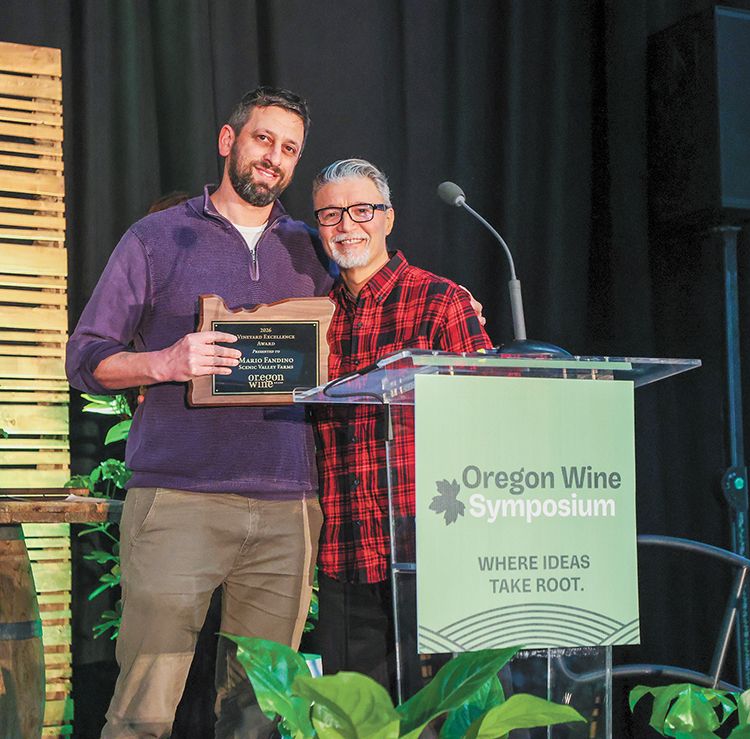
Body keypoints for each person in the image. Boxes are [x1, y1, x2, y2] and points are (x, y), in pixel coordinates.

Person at [66, 87, 334, 739]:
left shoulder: (312, 251)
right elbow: (85, 357)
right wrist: (166, 362)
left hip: (287, 509)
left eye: (289, 148)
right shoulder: (157, 238)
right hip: (179, 500)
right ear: (228, 140)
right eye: (262, 139)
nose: (274, 157)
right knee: (142, 712)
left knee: (260, 717)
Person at [309, 159, 492, 696]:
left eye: (362, 209)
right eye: (330, 214)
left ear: (388, 218)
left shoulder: (443, 301)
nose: (347, 224)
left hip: (437, 556)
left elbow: (488, 422)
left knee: (453, 722)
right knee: (360, 726)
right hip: (346, 555)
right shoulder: (312, 319)